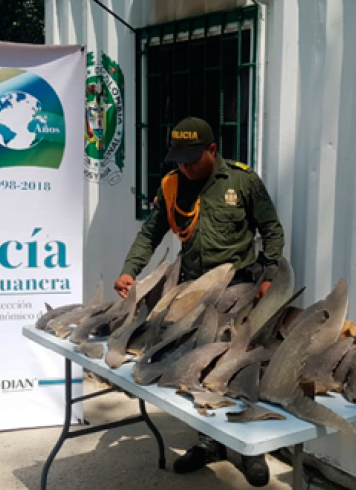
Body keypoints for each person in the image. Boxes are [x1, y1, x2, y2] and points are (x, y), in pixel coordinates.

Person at [115, 116, 285, 487]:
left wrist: (270, 275)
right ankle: (208, 442)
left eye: (192, 159)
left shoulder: (242, 181)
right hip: (193, 293)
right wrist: (130, 270)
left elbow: (271, 230)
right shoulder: (172, 185)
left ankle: (251, 449)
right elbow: (151, 233)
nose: (185, 167)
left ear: (212, 150)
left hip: (239, 291)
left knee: (240, 367)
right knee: (199, 368)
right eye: (179, 160)